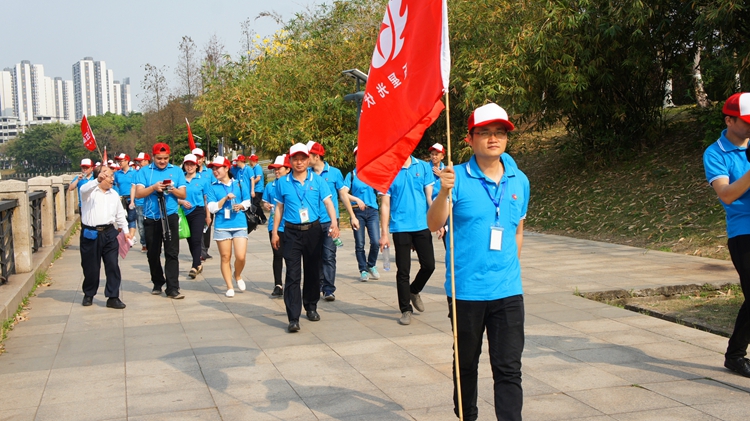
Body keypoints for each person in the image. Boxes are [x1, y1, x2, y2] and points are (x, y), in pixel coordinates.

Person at [427, 103, 529, 421]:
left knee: (509, 367)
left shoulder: (519, 180)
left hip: (508, 291)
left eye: (499, 132)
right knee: (466, 365)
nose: (493, 138)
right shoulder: (455, 177)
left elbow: (518, 231)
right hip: (466, 290)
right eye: (484, 133)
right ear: (470, 139)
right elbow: (433, 224)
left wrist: (509, 272)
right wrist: (444, 193)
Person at [704, 92, 750, 378]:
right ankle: (735, 356)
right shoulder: (715, 153)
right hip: (743, 231)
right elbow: (727, 194)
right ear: (729, 120)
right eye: (746, 122)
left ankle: (734, 355)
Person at [271, 143, 339, 332]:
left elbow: (328, 202)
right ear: (290, 160)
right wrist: (275, 232)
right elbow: (279, 208)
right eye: (295, 158)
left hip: (313, 231)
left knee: (312, 271)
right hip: (291, 232)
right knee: (292, 274)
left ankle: (311, 306)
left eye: (302, 158)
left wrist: (334, 222)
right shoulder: (283, 182)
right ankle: (293, 317)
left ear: (308, 159)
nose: (299, 162)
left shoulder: (317, 180)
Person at [379, 154, 435, 325]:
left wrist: (438, 222)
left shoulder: (423, 166)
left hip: (422, 224)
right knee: (403, 270)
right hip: (400, 227)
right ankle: (405, 309)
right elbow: (385, 204)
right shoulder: (388, 170)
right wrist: (384, 233)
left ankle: (414, 290)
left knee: (429, 265)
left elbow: (429, 198)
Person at [135, 143, 187, 299]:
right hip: (151, 217)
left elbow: (183, 194)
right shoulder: (145, 172)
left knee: (172, 252)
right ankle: (157, 281)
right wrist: (154, 188)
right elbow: (138, 194)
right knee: (153, 253)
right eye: (159, 158)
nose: (162, 161)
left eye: (165, 158)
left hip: (170, 215)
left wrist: (171, 188)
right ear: (153, 157)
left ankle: (173, 287)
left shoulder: (177, 171)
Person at [308, 141, 358, 301]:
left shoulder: (335, 173)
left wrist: (352, 215)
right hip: (312, 221)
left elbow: (343, 195)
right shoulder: (307, 174)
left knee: (329, 255)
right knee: (315, 256)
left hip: (331, 221)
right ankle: (319, 284)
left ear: (316, 156)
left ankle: (329, 288)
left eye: (308, 155)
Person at [79, 165, 132, 309]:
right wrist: (96, 181)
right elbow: (83, 190)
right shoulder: (89, 192)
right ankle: (89, 294)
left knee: (112, 265)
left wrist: (126, 231)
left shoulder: (114, 194)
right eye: (109, 176)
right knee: (91, 267)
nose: (112, 179)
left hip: (109, 232)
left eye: (112, 176)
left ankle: (113, 297)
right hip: (91, 233)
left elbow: (120, 214)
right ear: (100, 176)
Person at [206, 156, 252, 297]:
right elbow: (212, 207)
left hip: (239, 223)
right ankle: (229, 286)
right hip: (222, 225)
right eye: (213, 169)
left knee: (241, 256)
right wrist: (224, 199)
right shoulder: (212, 187)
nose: (215, 171)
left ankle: (237, 275)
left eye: (217, 168)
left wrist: (241, 205)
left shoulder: (239, 183)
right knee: (225, 256)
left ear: (226, 168)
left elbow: (247, 200)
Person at [343, 146, 380, 282]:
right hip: (357, 212)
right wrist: (356, 199)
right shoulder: (351, 175)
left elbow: (382, 190)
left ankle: (371, 264)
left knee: (376, 241)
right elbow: (344, 193)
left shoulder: (373, 173)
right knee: (360, 243)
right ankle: (363, 269)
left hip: (373, 211)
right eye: (357, 155)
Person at [179, 154, 212, 279]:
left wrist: (208, 216)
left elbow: (206, 199)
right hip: (184, 213)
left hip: (198, 211)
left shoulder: (202, 180)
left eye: (192, 164)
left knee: (196, 239)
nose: (189, 167)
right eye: (187, 164)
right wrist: (181, 202)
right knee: (190, 240)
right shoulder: (180, 179)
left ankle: (194, 265)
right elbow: (173, 196)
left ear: (196, 165)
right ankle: (198, 263)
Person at [263, 154, 290, 297]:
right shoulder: (270, 185)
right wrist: (266, 205)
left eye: (279, 168)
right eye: (275, 169)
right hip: (275, 226)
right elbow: (265, 201)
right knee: (277, 254)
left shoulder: (292, 184)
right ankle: (278, 284)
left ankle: (291, 284)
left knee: (291, 256)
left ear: (287, 169)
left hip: (291, 225)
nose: (276, 171)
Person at [193, 148, 215, 261]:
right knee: (198, 229)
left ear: (203, 159)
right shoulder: (190, 172)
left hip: (208, 204)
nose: (197, 160)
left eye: (199, 157)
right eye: (195, 157)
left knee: (207, 227)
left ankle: (205, 249)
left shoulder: (210, 172)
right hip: (197, 205)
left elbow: (214, 185)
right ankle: (200, 251)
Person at [114, 153, 138, 241]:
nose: (119, 163)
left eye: (121, 161)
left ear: (127, 161)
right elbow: (115, 184)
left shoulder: (135, 172)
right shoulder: (117, 174)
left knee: (132, 218)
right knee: (122, 218)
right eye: (118, 161)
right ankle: (125, 236)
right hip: (121, 199)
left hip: (132, 198)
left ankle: (130, 237)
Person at [133, 152, 150, 252]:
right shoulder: (137, 173)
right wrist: (132, 201)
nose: (140, 163)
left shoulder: (153, 172)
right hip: (140, 202)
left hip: (151, 203)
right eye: (139, 161)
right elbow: (133, 187)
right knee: (141, 225)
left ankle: (153, 243)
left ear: (147, 161)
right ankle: (144, 243)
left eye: (141, 161)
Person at [249, 154, 267, 224]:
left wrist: (252, 183)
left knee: (256, 204)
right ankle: (258, 219)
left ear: (252, 160)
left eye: (250, 160)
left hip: (258, 189)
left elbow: (258, 178)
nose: (249, 162)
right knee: (253, 204)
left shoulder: (258, 167)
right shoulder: (253, 168)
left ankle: (263, 217)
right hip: (255, 189)